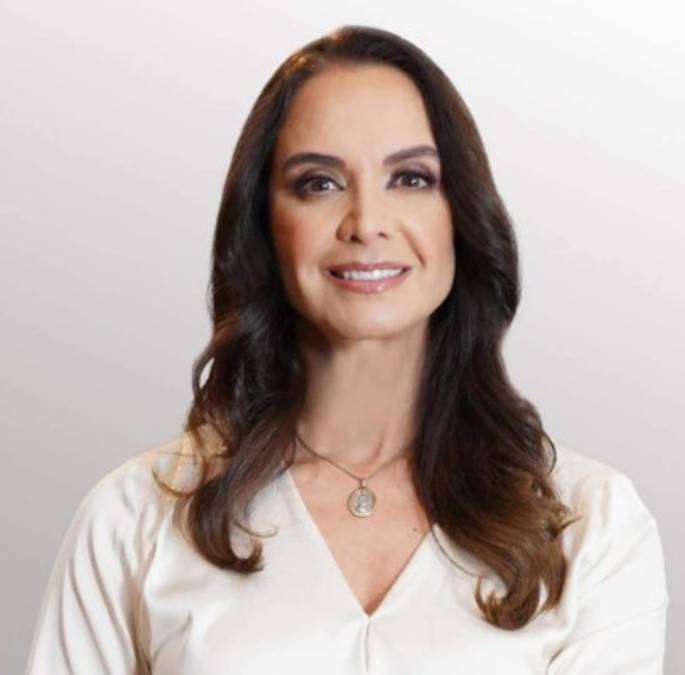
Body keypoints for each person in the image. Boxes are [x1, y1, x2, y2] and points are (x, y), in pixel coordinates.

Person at [24, 25, 669, 674]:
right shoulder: (132, 519)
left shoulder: (591, 525)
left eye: (410, 178)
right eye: (319, 183)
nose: (366, 223)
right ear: (264, 222)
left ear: (461, 215)